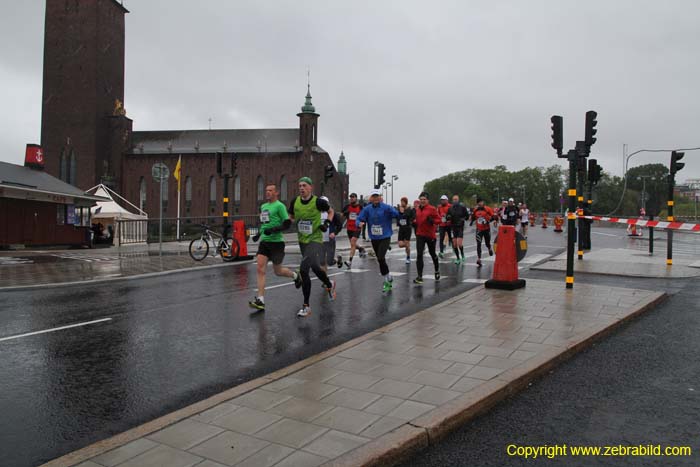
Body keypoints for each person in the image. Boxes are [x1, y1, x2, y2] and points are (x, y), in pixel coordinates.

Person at [287, 177, 337, 318]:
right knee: (315, 267)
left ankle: (306, 306)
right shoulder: (295, 201)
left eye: (304, 186)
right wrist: (286, 222)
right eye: (299, 186)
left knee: (304, 270)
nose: (301, 188)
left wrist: (326, 223)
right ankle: (329, 283)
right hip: (302, 240)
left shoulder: (318, 202)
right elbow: (291, 216)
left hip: (315, 240)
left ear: (310, 187)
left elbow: (331, 212)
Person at [248, 184, 301, 312]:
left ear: (276, 193)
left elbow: (287, 223)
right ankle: (260, 300)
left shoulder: (280, 206)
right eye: (266, 190)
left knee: (278, 271)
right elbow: (264, 222)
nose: (267, 192)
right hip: (265, 242)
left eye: (270, 191)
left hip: (277, 243)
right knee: (260, 269)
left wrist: (273, 230)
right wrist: (259, 234)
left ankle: (295, 275)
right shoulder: (264, 206)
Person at [357, 189, 400, 292]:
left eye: (377, 196)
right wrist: (359, 223)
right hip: (374, 237)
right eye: (373, 196)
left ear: (380, 197)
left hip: (385, 236)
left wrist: (394, 211)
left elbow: (396, 214)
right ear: (371, 198)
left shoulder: (386, 207)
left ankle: (386, 281)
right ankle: (388, 276)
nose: (375, 198)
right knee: (380, 259)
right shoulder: (367, 209)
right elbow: (359, 218)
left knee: (381, 257)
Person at [412, 191, 441, 284]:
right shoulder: (417, 209)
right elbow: (417, 220)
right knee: (419, 254)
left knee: (432, 253)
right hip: (420, 234)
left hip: (430, 235)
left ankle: (436, 270)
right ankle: (419, 277)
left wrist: (432, 220)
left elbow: (439, 220)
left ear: (427, 200)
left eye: (424, 199)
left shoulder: (432, 209)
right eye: (421, 199)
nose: (422, 201)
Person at [341, 193, 367, 269]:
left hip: (357, 228)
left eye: (353, 197)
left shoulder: (360, 207)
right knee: (353, 245)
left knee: (352, 243)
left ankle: (350, 262)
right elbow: (341, 214)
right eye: (351, 197)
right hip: (349, 228)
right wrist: (345, 213)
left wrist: (362, 222)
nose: (351, 198)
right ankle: (361, 248)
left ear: (356, 198)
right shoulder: (347, 207)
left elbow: (364, 217)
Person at [319, 196, 344, 272]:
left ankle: (337, 259)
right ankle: (325, 281)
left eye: (324, 203)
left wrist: (334, 233)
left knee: (330, 262)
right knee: (322, 262)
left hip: (330, 240)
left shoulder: (332, 213)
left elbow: (340, 225)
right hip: (320, 240)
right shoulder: (316, 213)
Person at [470, 197, 495, 267]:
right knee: (479, 244)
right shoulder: (475, 210)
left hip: (486, 229)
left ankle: (489, 248)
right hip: (479, 230)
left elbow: (493, 217)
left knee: (487, 243)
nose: (480, 203)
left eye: (481, 202)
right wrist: (471, 221)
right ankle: (479, 259)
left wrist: (488, 221)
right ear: (477, 203)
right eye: (479, 202)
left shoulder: (487, 209)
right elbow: (473, 217)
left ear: (483, 202)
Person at [447, 194, 469, 265]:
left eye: (456, 199)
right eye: (454, 199)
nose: (455, 201)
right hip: (454, 227)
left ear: (458, 200)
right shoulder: (450, 208)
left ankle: (462, 255)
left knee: (459, 244)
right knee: (455, 244)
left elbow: (467, 216)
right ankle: (458, 258)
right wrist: (448, 217)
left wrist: (463, 219)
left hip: (460, 227)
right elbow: (447, 216)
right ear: (452, 200)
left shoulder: (462, 207)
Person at [397, 196, 415, 264]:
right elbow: (398, 217)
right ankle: (407, 245)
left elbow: (413, 217)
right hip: (401, 228)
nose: (401, 203)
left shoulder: (410, 210)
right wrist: (400, 212)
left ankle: (408, 257)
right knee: (400, 244)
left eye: (403, 202)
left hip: (407, 228)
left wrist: (410, 221)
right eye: (401, 202)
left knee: (406, 244)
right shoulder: (399, 209)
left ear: (406, 202)